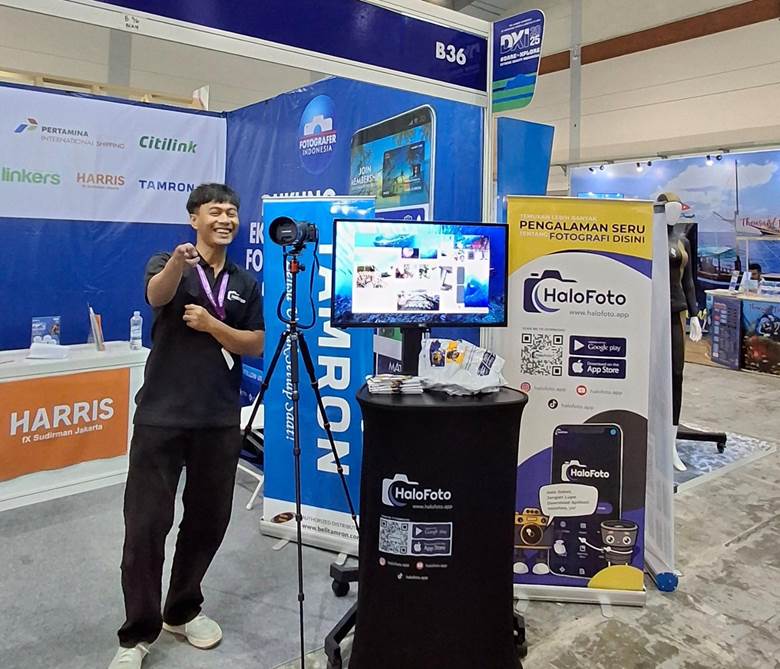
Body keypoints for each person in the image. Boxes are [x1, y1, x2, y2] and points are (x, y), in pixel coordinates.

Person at [108, 183, 264, 669]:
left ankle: (182, 609)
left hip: (218, 419)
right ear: (194, 218)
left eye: (232, 211)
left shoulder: (244, 281)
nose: (226, 219)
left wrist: (214, 326)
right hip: (161, 417)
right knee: (146, 525)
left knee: (207, 522)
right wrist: (178, 262)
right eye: (216, 211)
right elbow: (156, 294)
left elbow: (255, 342)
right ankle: (137, 634)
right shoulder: (167, 262)